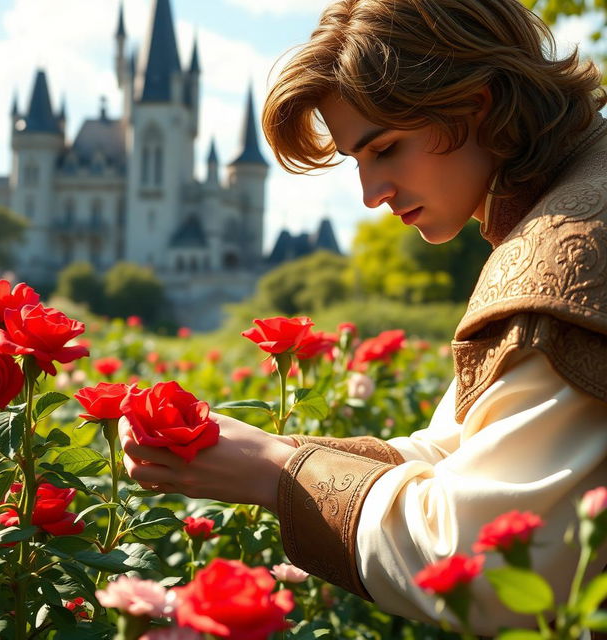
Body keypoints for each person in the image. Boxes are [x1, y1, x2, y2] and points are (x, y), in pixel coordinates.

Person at [118, 0, 607, 634]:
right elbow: (467, 456)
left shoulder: (562, 253)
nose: (370, 195)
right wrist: (278, 451)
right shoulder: (566, 202)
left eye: (386, 149)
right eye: (357, 161)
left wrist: (278, 473)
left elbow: (489, 562)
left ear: (473, 105)